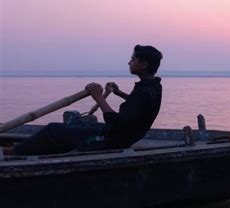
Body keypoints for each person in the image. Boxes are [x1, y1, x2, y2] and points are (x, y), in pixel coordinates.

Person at [10, 45, 163, 155]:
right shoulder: (154, 86)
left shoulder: (144, 91)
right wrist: (118, 92)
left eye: (133, 59)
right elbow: (138, 106)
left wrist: (97, 96)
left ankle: (13, 152)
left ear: (143, 64)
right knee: (76, 123)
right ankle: (24, 148)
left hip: (112, 139)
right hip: (122, 136)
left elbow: (115, 123)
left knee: (53, 129)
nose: (129, 62)